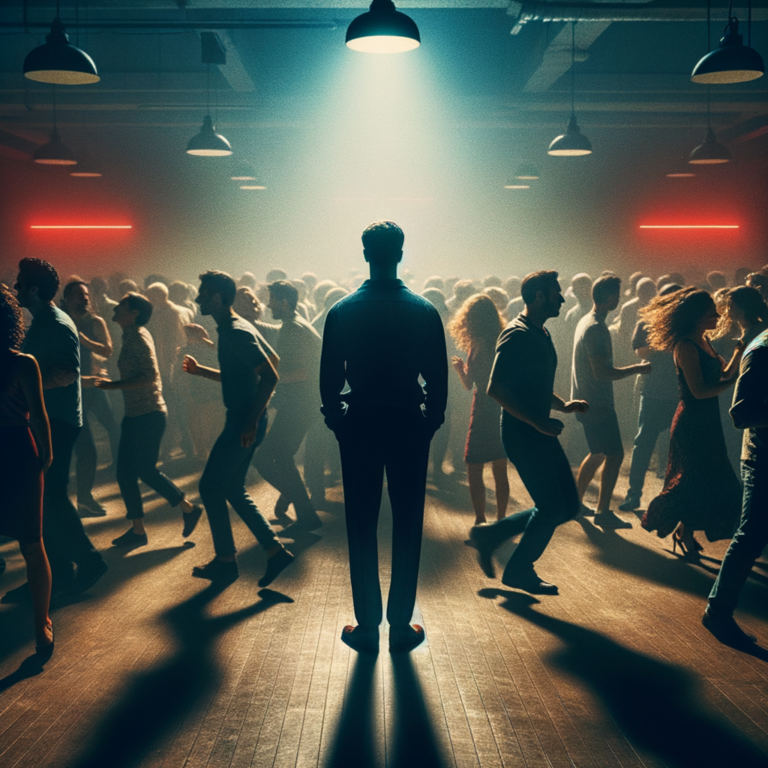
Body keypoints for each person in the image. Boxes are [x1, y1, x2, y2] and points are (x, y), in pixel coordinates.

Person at [320, 221, 448, 654]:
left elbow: (328, 382)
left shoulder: (341, 311)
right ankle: (400, 623)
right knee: (408, 524)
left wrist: (339, 421)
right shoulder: (425, 310)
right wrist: (428, 420)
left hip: (360, 425)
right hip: (408, 425)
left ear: (364, 253)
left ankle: (368, 624)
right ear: (401, 253)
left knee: (361, 524)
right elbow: (438, 380)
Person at [470, 271, 588, 594]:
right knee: (552, 506)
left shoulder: (541, 332)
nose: (562, 298)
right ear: (538, 297)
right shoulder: (516, 334)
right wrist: (537, 422)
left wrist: (563, 406)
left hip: (539, 431)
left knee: (566, 504)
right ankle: (519, 569)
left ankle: (491, 535)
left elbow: (533, 385)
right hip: (523, 434)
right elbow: (496, 388)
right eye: (556, 293)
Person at [183, 270, 293, 586]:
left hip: (243, 422)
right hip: (247, 420)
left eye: (203, 293)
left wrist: (249, 422)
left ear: (217, 297)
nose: (198, 298)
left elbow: (271, 376)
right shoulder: (234, 328)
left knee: (209, 487)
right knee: (231, 487)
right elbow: (264, 364)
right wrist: (201, 370)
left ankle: (227, 560)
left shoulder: (234, 331)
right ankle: (274, 553)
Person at [14, 258, 107, 594]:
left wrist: (22, 387)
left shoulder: (55, 322)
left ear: (35, 290)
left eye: (21, 284)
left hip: (57, 422)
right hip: (51, 419)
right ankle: (58, 577)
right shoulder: (44, 321)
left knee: (50, 496)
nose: (15, 288)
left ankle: (89, 561)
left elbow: (66, 373)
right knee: (46, 498)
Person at [94, 293, 202, 547]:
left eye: (122, 305)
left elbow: (150, 377)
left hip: (148, 414)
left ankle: (187, 508)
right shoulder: (131, 334)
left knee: (144, 470)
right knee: (126, 473)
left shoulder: (138, 336)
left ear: (133, 313)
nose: (116, 307)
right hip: (136, 414)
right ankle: (139, 530)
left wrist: (113, 386)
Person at [641, 288, 743, 557]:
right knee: (689, 481)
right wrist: (734, 381)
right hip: (691, 423)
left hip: (708, 423)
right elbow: (699, 390)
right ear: (698, 316)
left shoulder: (705, 341)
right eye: (712, 312)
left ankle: (684, 530)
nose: (718, 316)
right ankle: (665, 520)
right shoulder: (686, 346)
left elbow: (723, 372)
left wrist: (740, 350)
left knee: (699, 480)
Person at [703, 324, 768, 645]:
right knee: (751, 536)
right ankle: (718, 612)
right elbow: (741, 413)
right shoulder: (762, 350)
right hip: (763, 459)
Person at [0, 284, 55, 656]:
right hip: (20, 451)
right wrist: (46, 457)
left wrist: (45, 455)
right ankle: (41, 624)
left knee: (32, 544)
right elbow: (38, 416)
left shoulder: (22, 362)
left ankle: (42, 623)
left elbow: (39, 415)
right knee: (32, 545)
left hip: (17, 451)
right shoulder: (23, 362)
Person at [571, 274, 651, 526]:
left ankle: (575, 504)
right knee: (614, 454)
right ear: (610, 298)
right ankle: (603, 512)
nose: (621, 297)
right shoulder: (596, 328)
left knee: (597, 452)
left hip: (586, 400)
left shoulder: (588, 320)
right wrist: (637, 369)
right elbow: (601, 372)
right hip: (597, 403)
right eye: (619, 294)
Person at [253, 280, 323, 530]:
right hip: (301, 405)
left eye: (271, 300)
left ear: (284, 302)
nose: (268, 304)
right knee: (280, 457)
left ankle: (302, 507)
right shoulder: (292, 325)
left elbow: (304, 372)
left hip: (300, 405)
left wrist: (268, 377)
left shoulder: (294, 328)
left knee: (266, 458)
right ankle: (302, 508)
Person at [619, 283, 682, 512]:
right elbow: (640, 350)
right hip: (658, 390)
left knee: (662, 444)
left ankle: (663, 496)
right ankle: (636, 494)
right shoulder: (649, 321)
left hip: (672, 391)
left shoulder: (684, 324)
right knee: (645, 442)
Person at [60, 280, 120, 515]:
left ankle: (120, 469)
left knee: (113, 429)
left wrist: (85, 341)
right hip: (72, 391)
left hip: (94, 387)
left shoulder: (95, 321)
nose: (84, 298)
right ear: (67, 299)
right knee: (85, 448)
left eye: (86, 294)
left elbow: (107, 350)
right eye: (78, 295)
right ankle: (83, 497)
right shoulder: (61, 322)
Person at [448, 294, 509, 525]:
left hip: (484, 409)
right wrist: (463, 370)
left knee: (474, 465)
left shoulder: (479, 344)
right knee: (499, 467)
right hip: (501, 406)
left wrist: (461, 370)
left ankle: (481, 520)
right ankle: (501, 521)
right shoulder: (500, 340)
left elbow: (468, 386)